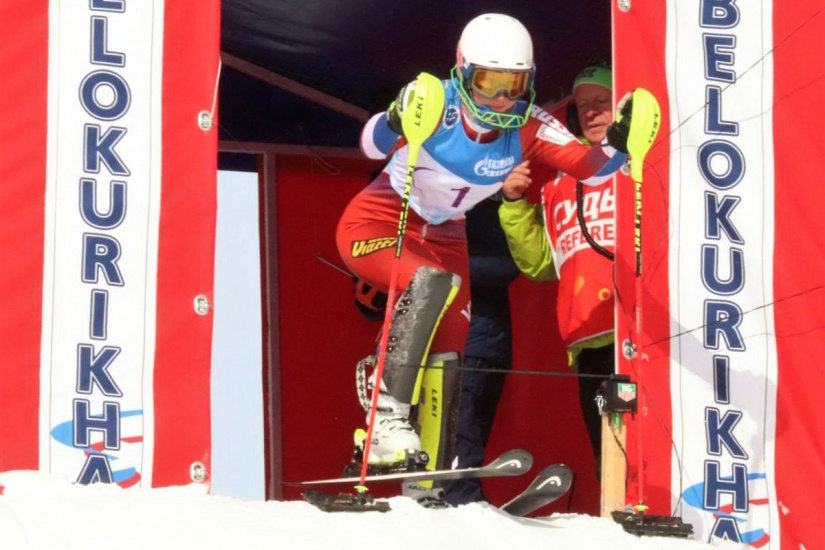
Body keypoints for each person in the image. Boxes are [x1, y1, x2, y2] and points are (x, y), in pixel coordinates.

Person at [335, 14, 632, 502]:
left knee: (452, 351)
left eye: (514, 85)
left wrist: (620, 141)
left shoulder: (529, 125)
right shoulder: (437, 102)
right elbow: (370, 146)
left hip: (447, 237)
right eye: (488, 83)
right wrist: (393, 118)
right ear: (463, 72)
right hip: (382, 221)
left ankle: (427, 478)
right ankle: (385, 420)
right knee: (429, 283)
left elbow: (592, 169)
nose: (501, 100)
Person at [498, 63, 619, 477]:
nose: (591, 112)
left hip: (642, 334)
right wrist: (513, 203)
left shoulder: (644, 164)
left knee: (652, 455)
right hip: (587, 337)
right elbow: (540, 264)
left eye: (601, 101)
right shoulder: (558, 184)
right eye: (582, 106)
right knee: (609, 461)